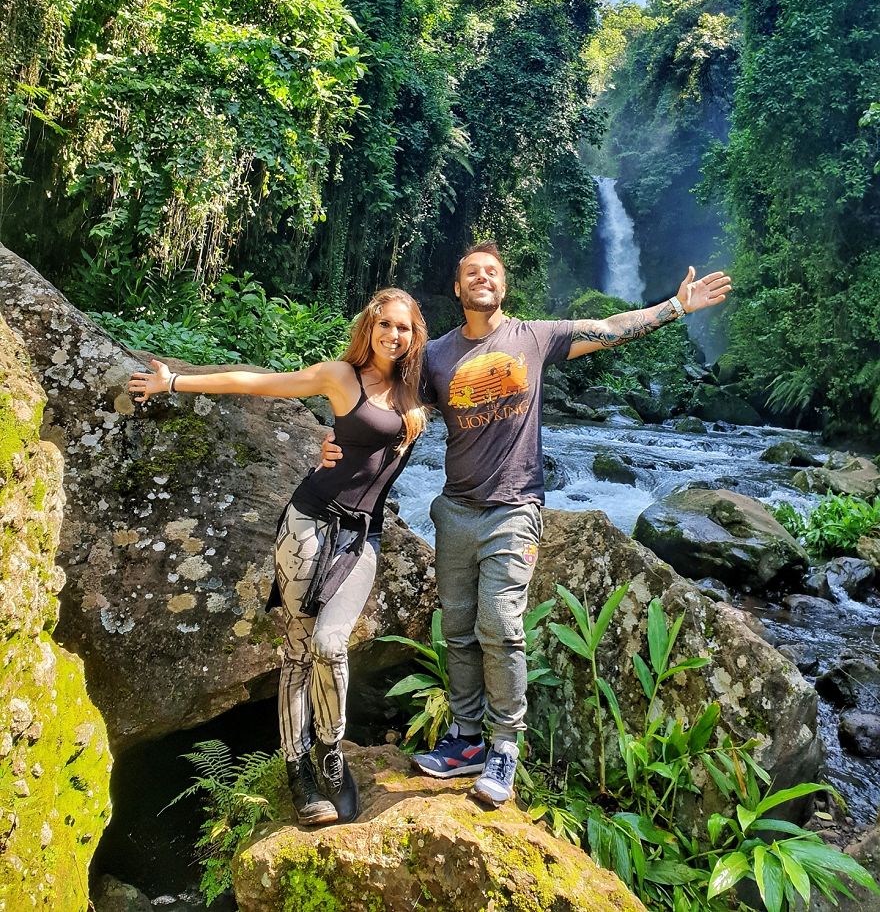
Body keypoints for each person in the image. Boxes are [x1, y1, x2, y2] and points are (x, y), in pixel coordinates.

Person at [321, 242, 731, 808]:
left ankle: (505, 746)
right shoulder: (435, 356)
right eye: (471, 273)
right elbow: (388, 407)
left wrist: (674, 307)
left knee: (500, 624)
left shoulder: (534, 337)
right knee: (459, 628)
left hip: (515, 509)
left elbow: (609, 326)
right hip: (456, 510)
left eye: (492, 271)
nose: (482, 278)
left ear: (503, 286)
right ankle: (465, 740)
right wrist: (336, 438)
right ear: (459, 288)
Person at [127, 288, 428, 827]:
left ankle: (332, 756)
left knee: (330, 644)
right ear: (370, 327)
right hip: (308, 522)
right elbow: (258, 383)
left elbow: (489, 366)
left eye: (403, 328)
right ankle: (298, 769)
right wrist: (173, 380)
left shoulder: (417, 386)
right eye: (385, 325)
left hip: (362, 537)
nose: (393, 335)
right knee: (295, 649)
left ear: (414, 333)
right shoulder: (342, 376)